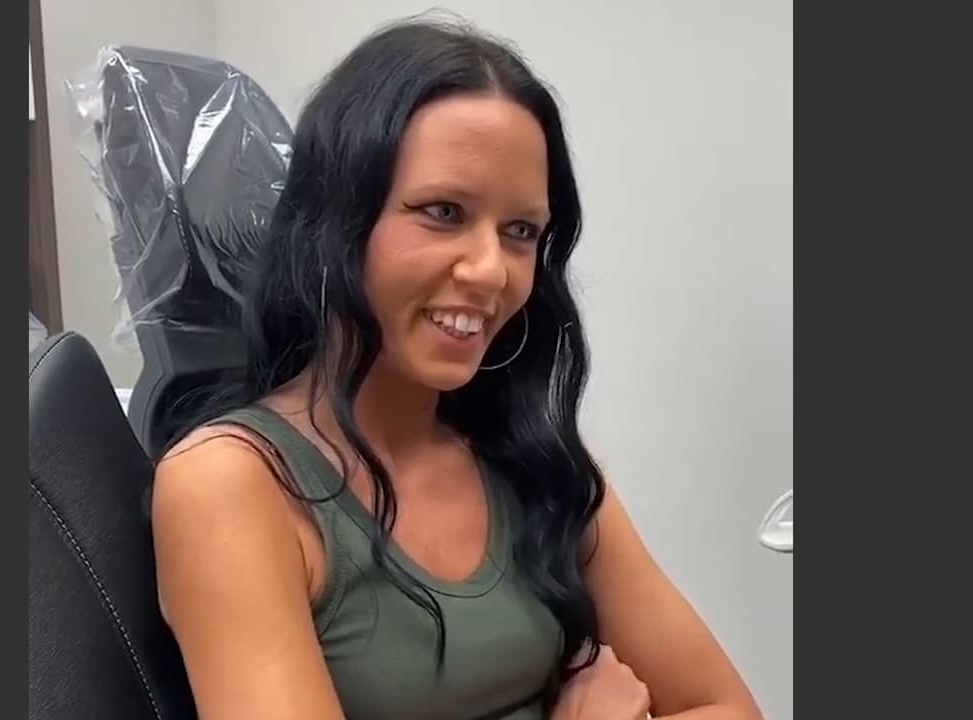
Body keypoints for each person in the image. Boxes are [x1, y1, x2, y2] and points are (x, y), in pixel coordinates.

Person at [151, 16, 764, 720]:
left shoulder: (539, 467)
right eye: (443, 212)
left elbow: (728, 708)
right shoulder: (230, 484)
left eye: (520, 232)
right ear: (335, 221)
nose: (490, 271)